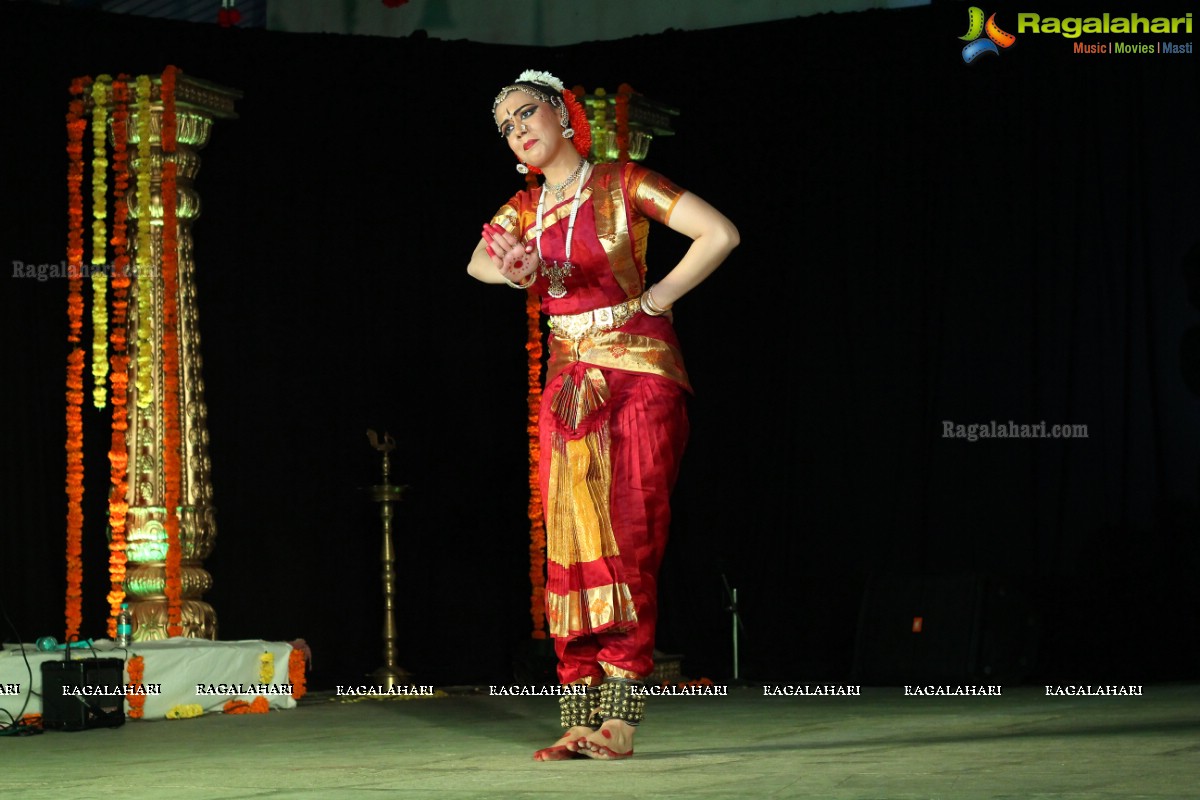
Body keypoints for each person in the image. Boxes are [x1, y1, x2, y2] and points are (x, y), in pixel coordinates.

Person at [467, 70, 738, 761]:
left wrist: (657, 299)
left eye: (527, 113)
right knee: (571, 538)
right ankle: (577, 707)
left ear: (563, 116)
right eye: (505, 125)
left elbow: (718, 233)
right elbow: (477, 265)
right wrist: (519, 272)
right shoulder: (524, 208)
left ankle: (620, 714)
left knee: (629, 531)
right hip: (570, 383)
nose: (518, 129)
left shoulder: (623, 182)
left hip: (639, 375)